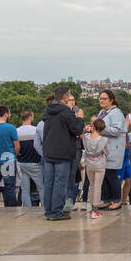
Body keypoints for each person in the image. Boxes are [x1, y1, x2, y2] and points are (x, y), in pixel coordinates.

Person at [41, 87, 85, 221]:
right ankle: (56, 212)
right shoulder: (66, 112)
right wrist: (80, 118)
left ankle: (48, 211)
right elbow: (77, 130)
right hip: (62, 152)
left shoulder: (48, 110)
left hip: (48, 151)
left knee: (48, 182)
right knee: (60, 183)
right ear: (65, 97)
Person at [95, 90, 127, 211]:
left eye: (104, 98)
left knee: (111, 174)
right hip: (104, 148)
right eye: (100, 98)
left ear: (111, 100)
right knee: (104, 174)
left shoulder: (116, 113)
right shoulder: (102, 112)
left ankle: (117, 199)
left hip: (113, 148)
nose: (101, 101)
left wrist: (100, 129)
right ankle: (107, 199)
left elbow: (116, 130)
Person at [0, 106, 20, 208]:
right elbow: (17, 146)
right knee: (9, 187)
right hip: (8, 160)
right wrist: (15, 154)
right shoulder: (11, 128)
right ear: (6, 114)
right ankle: (10, 208)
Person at [15, 111, 43, 211]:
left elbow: (16, 147)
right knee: (41, 187)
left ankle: (27, 208)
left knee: (25, 189)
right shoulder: (36, 130)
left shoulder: (16, 131)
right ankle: (44, 206)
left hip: (21, 162)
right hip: (35, 163)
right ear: (30, 117)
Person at [81, 118, 109, 216]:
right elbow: (107, 152)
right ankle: (95, 210)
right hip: (100, 165)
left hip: (89, 164)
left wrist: (86, 129)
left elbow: (82, 136)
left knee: (92, 186)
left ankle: (92, 207)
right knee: (98, 186)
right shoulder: (104, 140)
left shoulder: (86, 137)